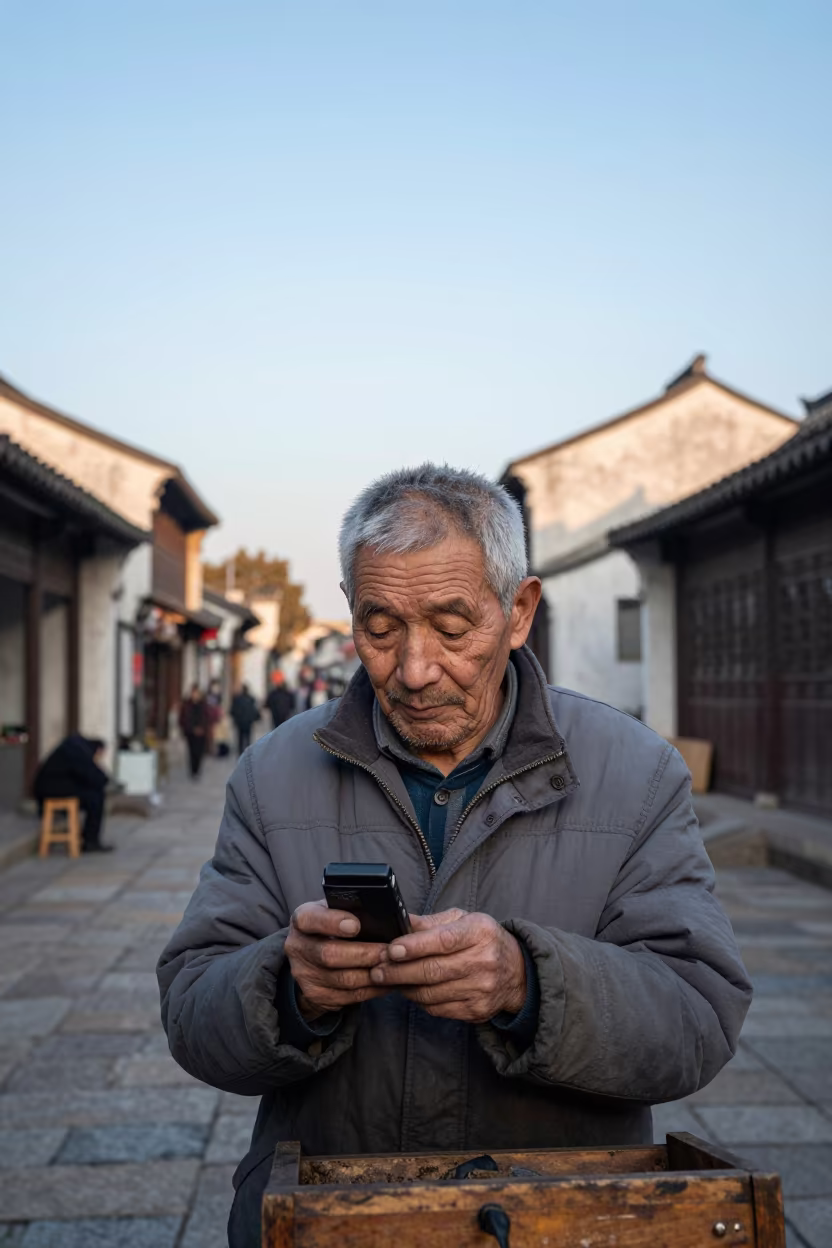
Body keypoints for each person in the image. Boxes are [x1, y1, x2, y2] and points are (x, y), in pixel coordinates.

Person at [158, 464, 752, 1248]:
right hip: (328, 1226)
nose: (413, 668)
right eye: (380, 627)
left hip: (560, 1222)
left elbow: (699, 1017)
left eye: (450, 624)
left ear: (519, 611)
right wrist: (289, 987)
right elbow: (193, 1009)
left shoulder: (636, 773)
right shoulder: (274, 775)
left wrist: (528, 981)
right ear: (350, 614)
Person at [34, 734, 111, 853]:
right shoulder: (78, 751)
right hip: (52, 790)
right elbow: (92, 776)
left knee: (95, 794)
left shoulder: (76, 746)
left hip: (52, 788)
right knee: (96, 798)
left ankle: (89, 838)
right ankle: (90, 841)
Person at [179, 685, 209, 779]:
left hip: (202, 732)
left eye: (197, 693)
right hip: (190, 732)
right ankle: (192, 771)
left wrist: (202, 728)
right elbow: (183, 718)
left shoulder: (203, 705)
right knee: (191, 751)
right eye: (194, 693)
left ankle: (197, 769)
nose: (195, 695)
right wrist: (191, 728)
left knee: (199, 752)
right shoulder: (187, 705)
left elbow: (207, 718)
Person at [230, 683, 260, 756]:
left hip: (240, 722)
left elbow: (232, 711)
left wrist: (235, 719)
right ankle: (248, 753)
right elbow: (254, 710)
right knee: (248, 738)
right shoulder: (251, 699)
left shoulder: (237, 699)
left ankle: (241, 753)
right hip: (248, 722)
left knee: (240, 738)